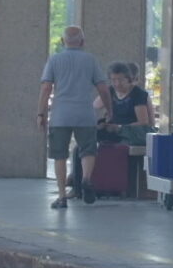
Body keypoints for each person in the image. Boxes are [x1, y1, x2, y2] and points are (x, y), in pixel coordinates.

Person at [39, 25, 107, 209]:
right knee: (88, 150)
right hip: (85, 114)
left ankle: (62, 197)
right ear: (83, 42)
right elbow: (102, 88)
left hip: (60, 115)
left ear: (62, 42)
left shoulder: (54, 60)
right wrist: (110, 109)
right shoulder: (90, 60)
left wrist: (41, 113)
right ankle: (85, 178)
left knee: (59, 155)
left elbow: (46, 88)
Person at [98, 62, 154, 145]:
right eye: (113, 80)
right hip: (113, 131)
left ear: (129, 79)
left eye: (120, 80)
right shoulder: (111, 91)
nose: (117, 84)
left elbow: (143, 122)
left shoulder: (138, 94)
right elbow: (95, 106)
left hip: (133, 134)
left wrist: (120, 127)